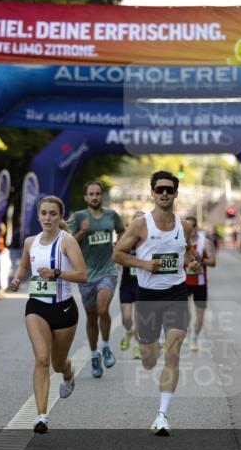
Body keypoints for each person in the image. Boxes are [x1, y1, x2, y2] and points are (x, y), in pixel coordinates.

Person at [112, 171, 201, 436]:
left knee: (173, 352)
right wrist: (143, 264)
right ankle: (149, 346)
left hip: (176, 294)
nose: (164, 194)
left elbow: (186, 253)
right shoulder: (141, 225)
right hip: (147, 297)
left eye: (169, 190)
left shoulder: (184, 226)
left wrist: (192, 262)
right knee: (149, 361)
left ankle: (162, 415)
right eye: (160, 189)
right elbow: (117, 254)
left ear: (175, 193)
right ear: (152, 192)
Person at [7, 196, 87, 433]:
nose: (48, 218)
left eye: (53, 214)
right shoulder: (30, 242)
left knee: (58, 362)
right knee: (42, 359)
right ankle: (41, 415)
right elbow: (24, 265)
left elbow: (83, 275)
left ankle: (68, 373)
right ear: (39, 215)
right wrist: (17, 278)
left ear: (60, 217)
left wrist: (56, 272)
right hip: (37, 307)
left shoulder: (67, 241)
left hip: (63, 308)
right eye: (44, 213)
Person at [69, 181, 126, 378]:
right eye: (91, 194)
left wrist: (119, 245)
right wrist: (81, 232)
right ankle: (94, 355)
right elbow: (67, 243)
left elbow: (123, 231)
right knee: (92, 317)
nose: (94, 197)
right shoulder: (78, 217)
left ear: (102, 196)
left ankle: (106, 346)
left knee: (103, 309)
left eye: (98, 194)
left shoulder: (111, 215)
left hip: (108, 270)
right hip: (86, 275)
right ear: (86, 197)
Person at [184, 216, 216, 352]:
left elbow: (213, 262)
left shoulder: (205, 243)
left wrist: (200, 259)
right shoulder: (180, 242)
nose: (189, 230)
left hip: (200, 282)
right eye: (187, 227)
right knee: (184, 311)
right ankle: (188, 330)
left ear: (196, 227)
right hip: (184, 281)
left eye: (192, 226)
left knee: (200, 314)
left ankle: (195, 338)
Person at [118, 211, 143, 358]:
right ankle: (128, 331)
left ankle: (137, 346)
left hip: (143, 284)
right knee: (127, 318)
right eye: (136, 220)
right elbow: (116, 257)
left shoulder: (149, 240)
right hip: (127, 284)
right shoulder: (125, 239)